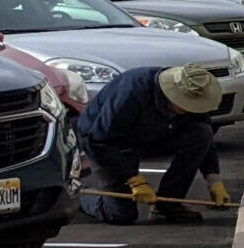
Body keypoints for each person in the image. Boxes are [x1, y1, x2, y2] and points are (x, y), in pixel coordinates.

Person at [78, 62, 230, 225]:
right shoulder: (132, 92)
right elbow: (98, 141)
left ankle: (168, 204)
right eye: (184, 105)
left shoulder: (195, 100)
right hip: (109, 144)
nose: (188, 110)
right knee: (121, 215)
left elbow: (204, 135)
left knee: (200, 133)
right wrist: (134, 179)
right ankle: (78, 197)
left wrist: (213, 178)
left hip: (152, 135)